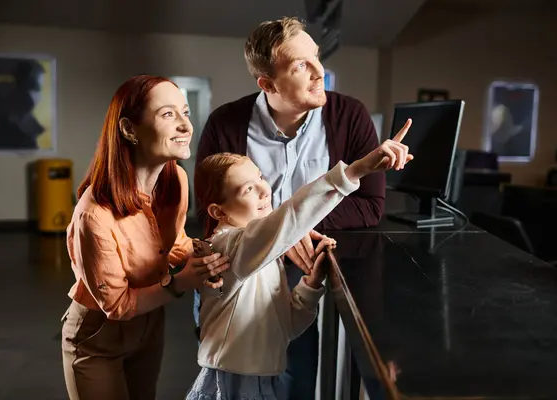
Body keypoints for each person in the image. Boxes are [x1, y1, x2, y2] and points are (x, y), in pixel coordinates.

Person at [195, 16, 392, 398]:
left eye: (316, 58)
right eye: (301, 65)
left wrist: (292, 233)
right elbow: (209, 213)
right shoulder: (226, 123)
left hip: (298, 272)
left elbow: (370, 206)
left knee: (295, 376)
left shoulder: (350, 116)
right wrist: (283, 232)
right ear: (267, 84)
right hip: (236, 273)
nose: (320, 73)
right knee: (230, 373)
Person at [187, 122, 412, 400]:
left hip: (262, 380)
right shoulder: (228, 247)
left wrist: (310, 285)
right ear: (217, 211)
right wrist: (356, 170)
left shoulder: (257, 255)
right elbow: (291, 217)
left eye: (260, 178)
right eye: (248, 189)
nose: (264, 190)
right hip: (233, 382)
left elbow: (285, 328)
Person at [61, 74, 230, 400]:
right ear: (128, 130)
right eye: (168, 114)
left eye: (185, 112)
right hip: (97, 336)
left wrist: (213, 251)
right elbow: (117, 306)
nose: (185, 126)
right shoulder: (94, 214)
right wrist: (183, 282)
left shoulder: (176, 180)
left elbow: (175, 243)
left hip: (150, 324)